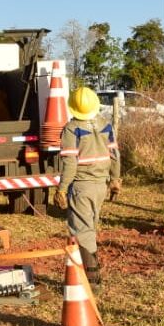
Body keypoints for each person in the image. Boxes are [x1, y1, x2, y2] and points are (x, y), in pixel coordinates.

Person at [53, 86, 121, 288]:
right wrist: (115, 180)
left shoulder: (72, 129)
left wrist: (62, 189)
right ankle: (85, 278)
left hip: (82, 186)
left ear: (73, 107)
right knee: (89, 229)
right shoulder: (105, 124)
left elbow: (71, 162)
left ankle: (91, 283)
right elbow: (115, 155)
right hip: (101, 185)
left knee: (83, 233)